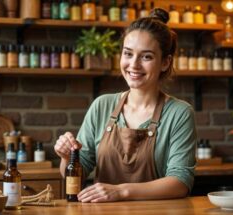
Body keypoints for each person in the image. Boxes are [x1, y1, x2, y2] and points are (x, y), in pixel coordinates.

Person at [54, 8, 197, 203]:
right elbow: (77, 174)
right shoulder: (102, 106)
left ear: (165, 62)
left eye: (146, 57)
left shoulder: (179, 113)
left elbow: (180, 182)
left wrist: (121, 191)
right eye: (128, 54)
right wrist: (67, 158)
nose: (134, 65)